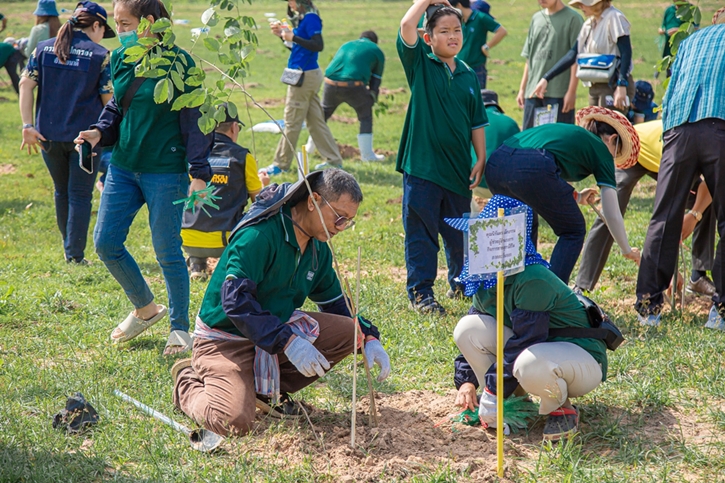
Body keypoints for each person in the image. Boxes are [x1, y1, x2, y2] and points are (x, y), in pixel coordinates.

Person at [171, 169, 391, 436]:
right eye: (339, 217)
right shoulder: (260, 235)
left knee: (349, 331)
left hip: (272, 335)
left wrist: (369, 337)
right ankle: (187, 381)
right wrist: (288, 341)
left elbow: (335, 303)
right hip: (226, 339)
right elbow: (235, 302)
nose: (341, 228)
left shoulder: (317, 247)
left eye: (348, 221)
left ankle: (259, 392)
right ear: (313, 201)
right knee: (235, 421)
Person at [75, 0, 213, 355]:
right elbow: (118, 106)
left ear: (149, 22)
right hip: (122, 166)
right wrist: (98, 132)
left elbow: (196, 120)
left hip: (165, 171)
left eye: (124, 23)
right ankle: (146, 308)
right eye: (117, 24)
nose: (118, 31)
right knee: (106, 243)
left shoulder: (181, 63)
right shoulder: (121, 59)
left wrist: (199, 172)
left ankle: (180, 329)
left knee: (167, 250)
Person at [453, 196, 610, 441]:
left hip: (582, 357)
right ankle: (516, 402)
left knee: (527, 363)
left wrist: (493, 391)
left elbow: (526, 340)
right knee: (467, 329)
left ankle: (561, 407)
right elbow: (478, 321)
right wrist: (467, 382)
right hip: (537, 352)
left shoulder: (532, 278)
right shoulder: (484, 280)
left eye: (496, 239)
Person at [398, 0, 487, 314]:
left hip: (457, 170)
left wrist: (480, 157)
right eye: (444, 31)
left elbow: (477, 120)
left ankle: (462, 285)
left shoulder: (467, 74)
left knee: (459, 233)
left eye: (457, 30)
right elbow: (407, 26)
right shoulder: (421, 64)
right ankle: (421, 294)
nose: (453, 36)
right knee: (421, 234)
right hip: (422, 168)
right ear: (428, 38)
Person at [634, 21, 725, 329]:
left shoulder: (691, 41)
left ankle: (648, 308)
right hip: (720, 123)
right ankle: (721, 312)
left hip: (677, 127)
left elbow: (671, 90)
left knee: (664, 216)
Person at [484, 106, 640, 284]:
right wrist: (626, 248)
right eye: (616, 152)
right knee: (573, 229)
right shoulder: (601, 149)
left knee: (521, 227)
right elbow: (611, 211)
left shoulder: (570, 134)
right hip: (530, 168)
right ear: (613, 139)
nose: (612, 158)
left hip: (496, 165)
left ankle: (513, 290)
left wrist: (577, 197)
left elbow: (543, 170)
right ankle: (549, 296)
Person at [18, 1, 114, 263]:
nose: (101, 37)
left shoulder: (43, 48)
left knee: (61, 190)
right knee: (80, 194)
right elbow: (109, 101)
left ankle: (69, 249)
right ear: (96, 24)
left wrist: (28, 126)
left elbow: (25, 85)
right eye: (102, 31)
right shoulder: (100, 55)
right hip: (85, 140)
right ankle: (74, 255)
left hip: (47, 136)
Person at [575, 119, 716, 297]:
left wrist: (694, 215)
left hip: (669, 157)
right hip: (639, 153)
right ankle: (583, 285)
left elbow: (713, 183)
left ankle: (698, 276)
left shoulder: (709, 142)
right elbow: (667, 210)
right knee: (610, 211)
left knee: (704, 205)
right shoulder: (622, 149)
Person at [260, 0, 343, 176]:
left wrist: (293, 37)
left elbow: (318, 45)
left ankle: (280, 164)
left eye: (291, 0)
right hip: (307, 75)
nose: (289, 4)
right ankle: (334, 161)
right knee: (315, 122)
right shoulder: (305, 18)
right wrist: (284, 36)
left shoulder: (311, 18)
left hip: (304, 77)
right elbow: (300, 48)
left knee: (291, 122)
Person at [181, 108, 265, 281]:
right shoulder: (242, 157)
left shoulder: (192, 156)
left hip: (186, 238)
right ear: (234, 127)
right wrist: (264, 184)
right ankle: (233, 266)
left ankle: (197, 264)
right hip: (224, 242)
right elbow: (260, 201)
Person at [532, 0, 635, 114]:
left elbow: (626, 52)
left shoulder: (614, 17)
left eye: (583, 3)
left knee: (609, 129)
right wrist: (546, 78)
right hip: (594, 86)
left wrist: (622, 85)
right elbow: (572, 54)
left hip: (613, 85)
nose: (580, 6)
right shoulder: (589, 24)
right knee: (593, 128)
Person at [318, 30, 386, 162]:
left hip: (329, 83)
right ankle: (367, 156)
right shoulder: (376, 50)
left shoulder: (347, 44)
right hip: (353, 85)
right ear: (374, 41)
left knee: (321, 117)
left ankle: (310, 148)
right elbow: (376, 79)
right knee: (365, 116)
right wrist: (372, 96)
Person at [517, 0, 583, 130]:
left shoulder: (573, 19)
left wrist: (571, 92)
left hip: (558, 93)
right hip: (533, 92)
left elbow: (576, 58)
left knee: (557, 141)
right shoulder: (536, 18)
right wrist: (523, 89)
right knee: (530, 140)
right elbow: (529, 57)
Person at [448, 0, 507, 89]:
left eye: (452, 8)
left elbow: (502, 31)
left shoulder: (480, 17)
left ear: (459, 5)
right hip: (459, 68)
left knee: (478, 99)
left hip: (476, 69)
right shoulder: (459, 21)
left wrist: (487, 46)